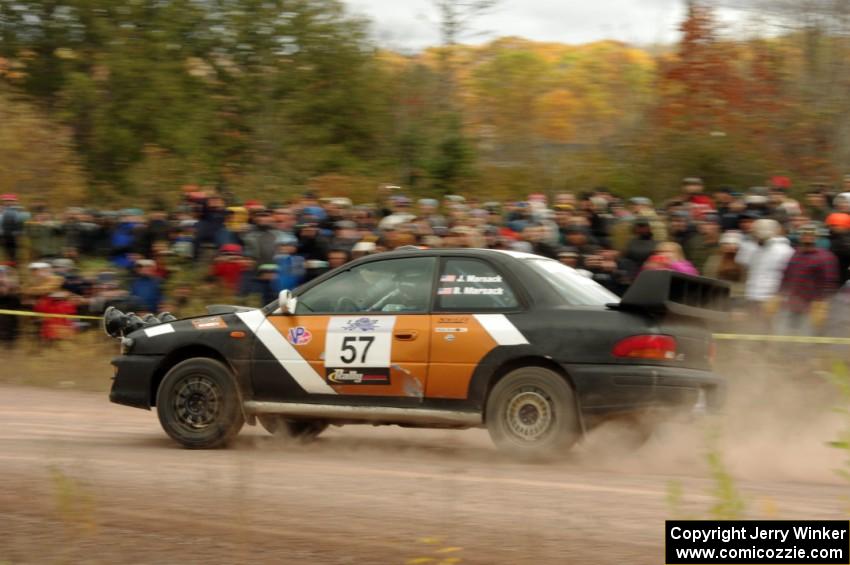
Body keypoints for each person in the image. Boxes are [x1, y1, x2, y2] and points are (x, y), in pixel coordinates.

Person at [777, 223, 839, 335]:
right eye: (804, 234)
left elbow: (830, 281)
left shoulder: (825, 257)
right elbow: (786, 276)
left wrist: (823, 303)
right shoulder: (794, 254)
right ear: (800, 236)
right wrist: (778, 295)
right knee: (784, 334)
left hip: (812, 306)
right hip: (791, 303)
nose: (808, 236)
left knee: (806, 337)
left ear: (817, 237)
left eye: (811, 234)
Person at [736, 218, 794, 328]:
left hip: (772, 299)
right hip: (752, 297)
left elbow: (790, 276)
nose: (757, 235)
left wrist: (780, 296)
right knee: (753, 328)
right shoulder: (752, 249)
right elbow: (743, 268)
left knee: (771, 328)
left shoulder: (785, 250)